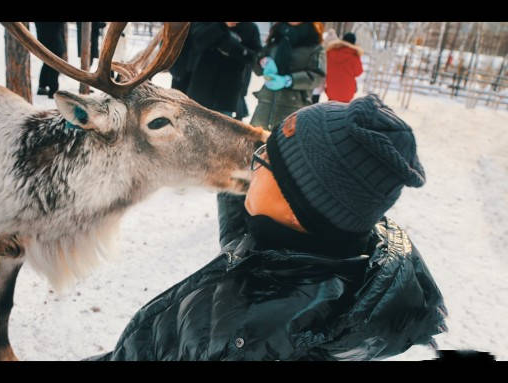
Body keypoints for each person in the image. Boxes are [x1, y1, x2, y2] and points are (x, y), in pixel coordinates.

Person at [87, 94, 447, 361]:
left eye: (264, 160)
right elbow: (247, 233)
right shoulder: (320, 255)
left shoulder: (241, 340)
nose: (253, 165)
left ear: (297, 208)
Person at [183, 22, 262, 247]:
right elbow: (197, 40)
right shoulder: (210, 25)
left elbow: (253, 56)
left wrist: (230, 46)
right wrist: (224, 38)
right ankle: (193, 169)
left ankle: (214, 173)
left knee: (222, 139)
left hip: (229, 90)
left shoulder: (250, 29)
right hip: (202, 87)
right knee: (195, 134)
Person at [249, 22, 326, 131]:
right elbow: (257, 65)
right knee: (256, 144)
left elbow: (318, 76)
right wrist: (262, 62)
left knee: (284, 146)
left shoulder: (314, 46)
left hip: (293, 109)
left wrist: (289, 80)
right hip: (265, 105)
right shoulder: (276, 37)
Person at [325, 32, 364, 103]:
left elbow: (325, 67)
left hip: (331, 89)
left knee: (330, 108)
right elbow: (358, 72)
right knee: (343, 110)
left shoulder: (330, 52)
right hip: (347, 92)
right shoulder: (354, 55)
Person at [35, 22, 66, 98]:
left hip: (44, 41)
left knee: (47, 64)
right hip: (54, 42)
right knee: (55, 66)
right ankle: (53, 91)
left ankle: (42, 86)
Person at [311, 28, 339, 103]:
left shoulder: (325, 41)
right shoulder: (336, 42)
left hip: (322, 67)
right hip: (330, 69)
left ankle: (314, 102)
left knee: (317, 88)